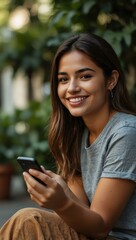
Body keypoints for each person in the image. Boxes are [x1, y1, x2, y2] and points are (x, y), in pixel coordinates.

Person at [0, 33, 136, 240]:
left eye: (85, 76)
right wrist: (61, 193)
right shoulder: (78, 134)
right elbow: (82, 215)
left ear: (111, 80)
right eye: (63, 79)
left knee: (28, 221)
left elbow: (100, 227)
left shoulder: (126, 133)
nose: (71, 88)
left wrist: (61, 202)